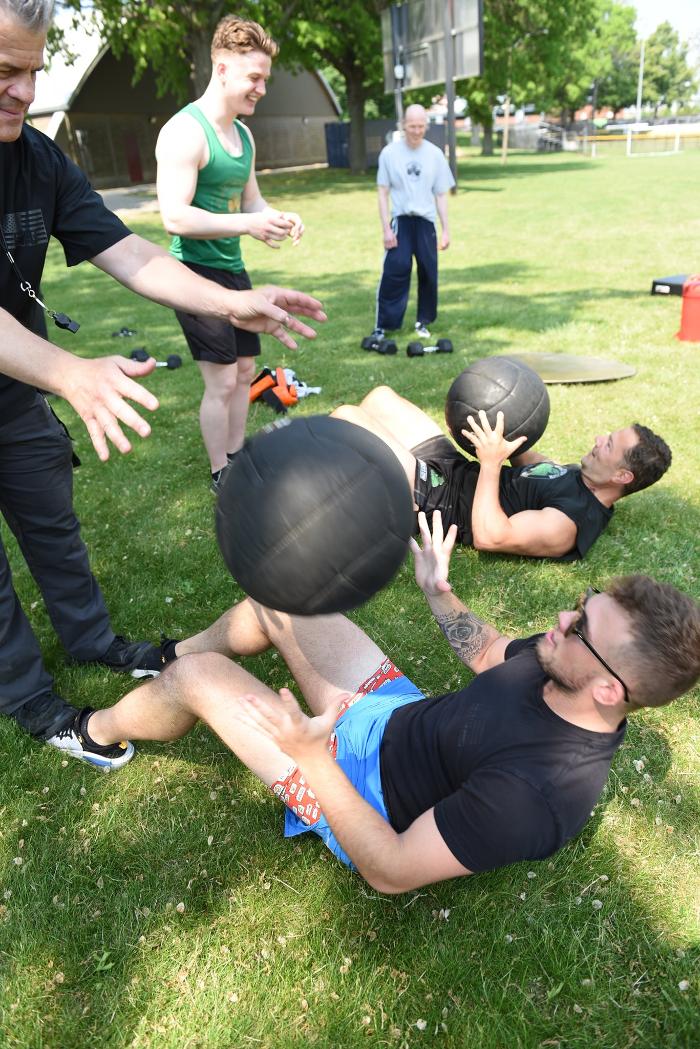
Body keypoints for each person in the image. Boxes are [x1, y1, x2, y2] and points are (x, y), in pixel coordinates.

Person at [0, 0, 325, 765]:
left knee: (52, 524)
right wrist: (69, 372)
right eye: (4, 72)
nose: (22, 91)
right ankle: (34, 701)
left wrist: (231, 299)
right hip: (35, 373)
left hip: (17, 397)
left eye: (33, 73)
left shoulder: (37, 158)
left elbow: (131, 251)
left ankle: (93, 640)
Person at [65, 513, 700, 889]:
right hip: (397, 713)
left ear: (610, 690)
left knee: (199, 680)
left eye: (581, 627)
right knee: (283, 598)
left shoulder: (538, 794)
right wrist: (438, 593)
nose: (562, 618)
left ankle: (95, 731)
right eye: (581, 603)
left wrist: (311, 757)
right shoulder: (562, 663)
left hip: (358, 787)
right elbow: (487, 653)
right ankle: (167, 652)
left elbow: (390, 870)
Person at [156, 15, 305, 493]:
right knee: (220, 381)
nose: (261, 88)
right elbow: (174, 217)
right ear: (221, 68)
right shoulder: (185, 132)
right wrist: (247, 223)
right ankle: (222, 472)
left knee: (244, 372)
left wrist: (276, 216)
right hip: (192, 272)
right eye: (254, 78)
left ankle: (237, 459)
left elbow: (251, 202)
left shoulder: (244, 137)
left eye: (265, 78)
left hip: (232, 269)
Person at [332, 386, 672, 561]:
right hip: (455, 470)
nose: (599, 440)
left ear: (622, 476)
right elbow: (538, 472)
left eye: (609, 445)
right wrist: (506, 426)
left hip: (437, 501)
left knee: (347, 416)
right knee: (380, 399)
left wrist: (493, 462)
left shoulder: (568, 524)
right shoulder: (580, 478)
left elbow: (490, 536)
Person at [370, 104, 454, 344]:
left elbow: (440, 194)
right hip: (401, 221)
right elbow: (382, 192)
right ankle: (383, 325)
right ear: (403, 125)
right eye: (412, 126)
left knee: (428, 271)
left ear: (426, 125)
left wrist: (446, 229)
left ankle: (423, 321)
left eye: (420, 126)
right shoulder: (389, 154)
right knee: (396, 269)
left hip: (426, 222)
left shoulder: (435, 154)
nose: (416, 131)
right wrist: (386, 228)